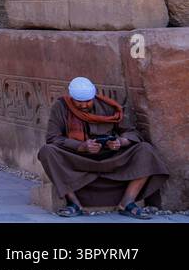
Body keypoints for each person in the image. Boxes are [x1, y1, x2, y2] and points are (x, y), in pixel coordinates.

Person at [37, 76, 169, 219]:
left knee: (145, 150)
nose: (83, 105)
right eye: (79, 102)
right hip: (78, 157)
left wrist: (120, 142)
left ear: (93, 96)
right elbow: (52, 138)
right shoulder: (60, 107)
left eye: (87, 101)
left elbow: (131, 132)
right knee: (47, 151)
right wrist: (81, 146)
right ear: (71, 97)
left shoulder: (108, 106)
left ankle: (127, 202)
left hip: (110, 156)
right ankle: (74, 204)